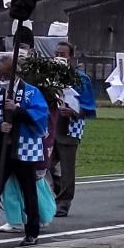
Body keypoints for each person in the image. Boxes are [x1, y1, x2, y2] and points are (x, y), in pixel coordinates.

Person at [0, 55, 50, 247]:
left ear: (15, 73)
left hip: (25, 149)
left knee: (29, 191)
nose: (2, 79)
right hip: (2, 149)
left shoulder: (31, 93)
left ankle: (32, 232)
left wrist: (18, 111)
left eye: (6, 75)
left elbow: (41, 117)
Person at [49, 41, 98, 217]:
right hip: (51, 127)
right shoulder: (49, 76)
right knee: (46, 165)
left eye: (63, 54)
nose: (59, 57)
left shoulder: (80, 78)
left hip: (70, 127)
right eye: (57, 54)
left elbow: (89, 105)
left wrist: (74, 111)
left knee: (67, 168)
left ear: (71, 57)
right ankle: (59, 189)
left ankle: (64, 202)